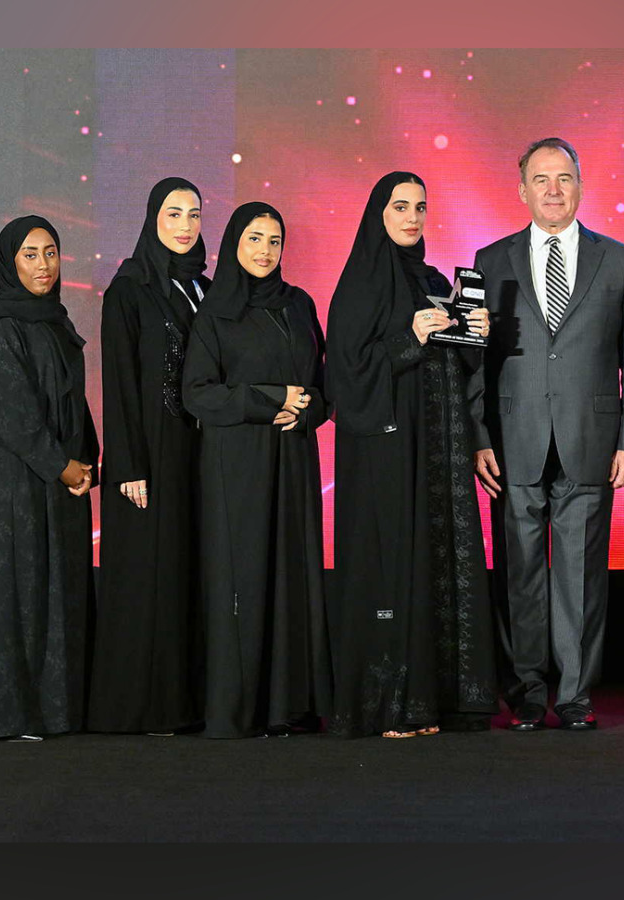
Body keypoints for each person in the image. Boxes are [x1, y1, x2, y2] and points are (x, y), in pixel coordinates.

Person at [471, 138, 624, 731]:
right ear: (521, 188)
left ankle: (574, 695)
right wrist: (477, 436)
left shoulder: (619, 260)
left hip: (590, 441)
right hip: (512, 442)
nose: (553, 189)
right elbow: (477, 360)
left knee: (580, 577)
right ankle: (526, 693)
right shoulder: (490, 259)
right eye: (541, 179)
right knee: (520, 575)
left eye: (564, 178)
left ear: (581, 185)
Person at [325, 171, 499, 738]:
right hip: (384, 455)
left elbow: (452, 369)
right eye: (400, 206)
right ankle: (390, 706)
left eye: (420, 207)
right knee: (390, 568)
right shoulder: (358, 285)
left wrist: (473, 335)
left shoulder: (432, 279)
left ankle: (435, 700)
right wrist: (410, 338)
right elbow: (344, 380)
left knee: (434, 561)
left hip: (435, 454)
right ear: (378, 212)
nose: (412, 217)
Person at [182, 201, 332, 739]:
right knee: (242, 577)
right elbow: (197, 394)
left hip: (293, 459)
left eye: (274, 241)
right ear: (233, 245)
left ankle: (286, 706)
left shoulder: (299, 305)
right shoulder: (214, 312)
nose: (265, 251)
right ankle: (238, 710)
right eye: (254, 239)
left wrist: (309, 406)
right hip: (237, 462)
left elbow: (322, 383)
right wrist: (271, 400)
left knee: (292, 573)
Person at [0, 216, 99, 741]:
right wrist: (63, 466)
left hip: (56, 479)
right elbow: (15, 416)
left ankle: (52, 711)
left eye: (51, 252)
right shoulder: (2, 325)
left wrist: (87, 463)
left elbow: (73, 403)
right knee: (18, 588)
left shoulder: (56, 319)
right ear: (10, 261)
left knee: (52, 590)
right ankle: (10, 714)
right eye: (31, 254)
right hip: (14, 485)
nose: (43, 264)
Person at [88, 177, 208, 735]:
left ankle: (185, 701)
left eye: (194, 214)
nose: (185, 225)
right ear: (152, 219)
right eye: (173, 213)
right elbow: (119, 384)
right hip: (149, 457)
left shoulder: (203, 288)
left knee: (185, 571)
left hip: (196, 452)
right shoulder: (129, 289)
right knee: (149, 576)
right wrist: (129, 466)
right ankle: (143, 705)